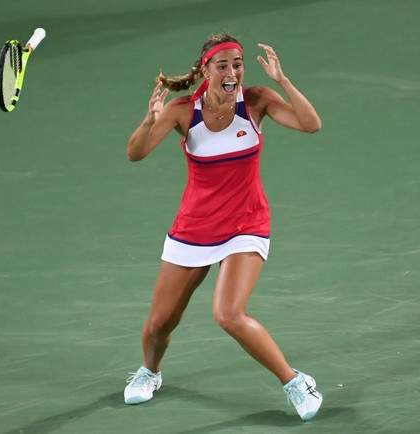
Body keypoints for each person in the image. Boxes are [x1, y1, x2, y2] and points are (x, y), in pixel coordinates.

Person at [124, 33, 323, 421]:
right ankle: (150, 372)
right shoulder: (183, 111)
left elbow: (311, 124)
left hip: (246, 223)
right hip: (194, 227)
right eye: (223, 65)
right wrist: (148, 121)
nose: (232, 72)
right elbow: (136, 153)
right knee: (160, 324)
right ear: (206, 70)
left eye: (237, 64)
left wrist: (283, 80)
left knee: (229, 313)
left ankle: (296, 382)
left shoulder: (258, 101)